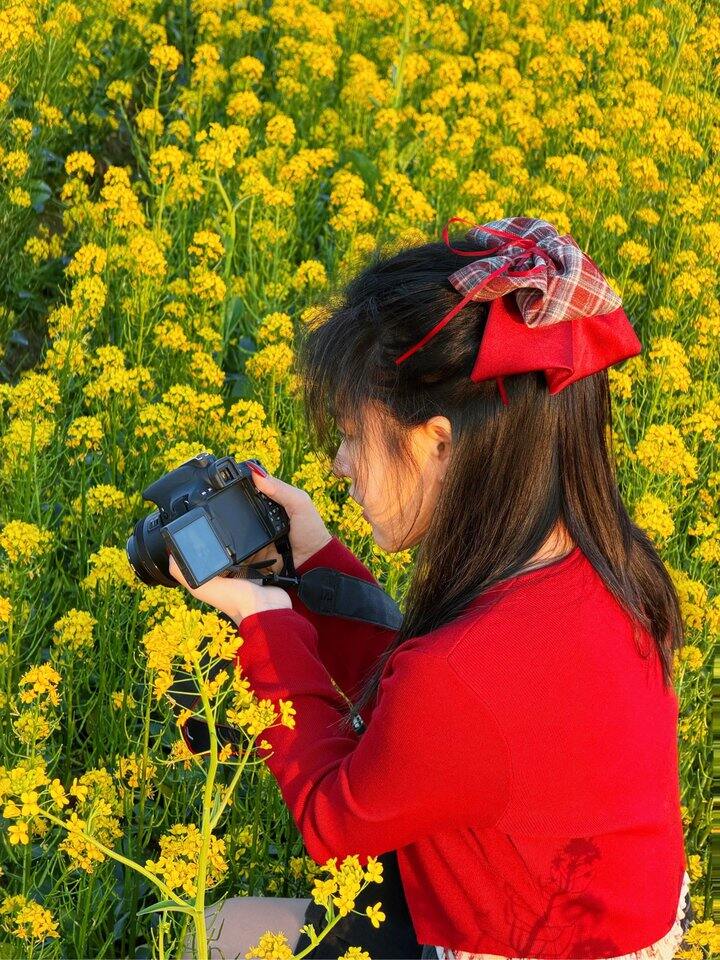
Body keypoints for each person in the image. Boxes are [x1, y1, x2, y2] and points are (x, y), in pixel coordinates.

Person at [176, 217, 693, 960]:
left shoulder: (460, 673)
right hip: (567, 905)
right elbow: (445, 725)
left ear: (440, 444)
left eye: (352, 435)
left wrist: (266, 620)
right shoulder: (599, 566)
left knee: (217, 933)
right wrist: (314, 558)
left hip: (507, 940)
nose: (339, 464)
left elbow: (332, 818)